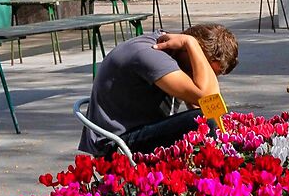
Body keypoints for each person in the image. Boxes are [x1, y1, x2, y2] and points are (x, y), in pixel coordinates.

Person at [81, 24, 241, 158]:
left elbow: (210, 106)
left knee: (213, 123)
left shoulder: (177, 56)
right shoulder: (152, 55)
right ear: (189, 51)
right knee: (203, 120)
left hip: (140, 132)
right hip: (116, 146)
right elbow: (208, 97)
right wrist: (192, 43)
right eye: (204, 69)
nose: (203, 77)